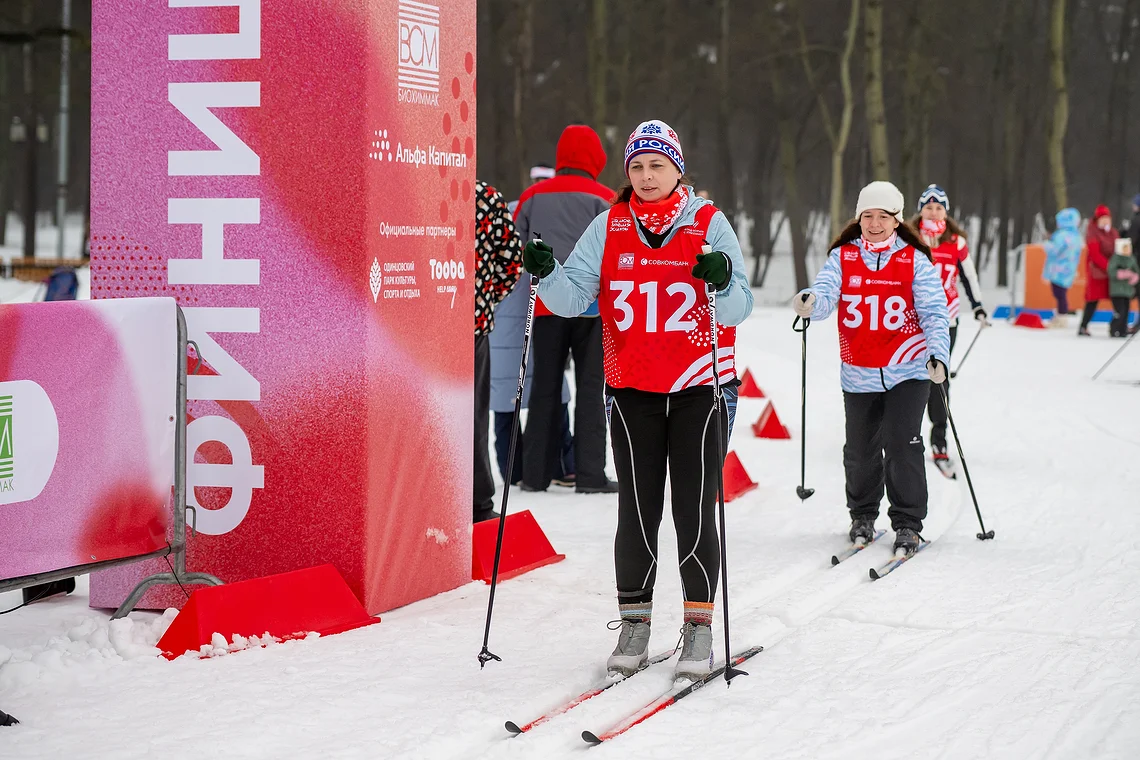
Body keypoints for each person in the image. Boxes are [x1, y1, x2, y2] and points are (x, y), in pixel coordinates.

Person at [521, 120, 752, 681]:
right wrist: (546, 274)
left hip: (700, 387)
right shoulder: (609, 225)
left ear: (677, 169)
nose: (647, 177)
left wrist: (720, 280)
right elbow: (576, 298)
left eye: (657, 166)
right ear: (627, 172)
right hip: (631, 388)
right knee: (636, 510)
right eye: (638, 167)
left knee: (694, 507)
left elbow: (738, 306)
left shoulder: (707, 222)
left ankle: (698, 627)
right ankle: (635, 623)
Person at [793, 181, 950, 557]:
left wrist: (938, 355)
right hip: (859, 371)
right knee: (860, 450)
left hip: (908, 370)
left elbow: (934, 311)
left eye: (883, 216)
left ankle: (908, 523)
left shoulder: (913, 259)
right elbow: (827, 292)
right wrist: (811, 302)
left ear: (896, 221)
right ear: (859, 218)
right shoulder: (843, 257)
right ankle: (862, 515)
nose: (875, 223)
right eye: (868, 216)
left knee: (901, 444)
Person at [514, 125, 618, 494]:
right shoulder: (607, 199)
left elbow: (522, 246)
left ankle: (535, 474)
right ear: (595, 158)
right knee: (592, 390)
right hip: (594, 309)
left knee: (544, 388)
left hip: (544, 307)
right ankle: (590, 475)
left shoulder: (531, 197)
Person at [492, 163, 575, 487]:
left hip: (505, 325)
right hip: (536, 320)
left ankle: (513, 470)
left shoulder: (507, 215)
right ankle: (562, 464)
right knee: (551, 393)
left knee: (506, 400)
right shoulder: (556, 219)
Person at [913, 185, 985, 479]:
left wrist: (978, 305)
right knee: (906, 378)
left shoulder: (955, 241)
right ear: (921, 210)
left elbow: (968, 276)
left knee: (938, 379)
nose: (933, 212)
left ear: (946, 211)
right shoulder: (908, 236)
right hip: (911, 321)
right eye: (928, 207)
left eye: (938, 208)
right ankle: (903, 435)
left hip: (946, 321)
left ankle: (939, 442)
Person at [473, 180, 523, 523]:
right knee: (472, 415)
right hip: (469, 318)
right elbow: (511, 259)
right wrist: (486, 298)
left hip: (409, 319)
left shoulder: (405, 177)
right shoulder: (483, 194)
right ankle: (477, 504)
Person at [1080, 205, 1118, 336]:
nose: (1106, 221)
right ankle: (1083, 326)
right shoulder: (1093, 233)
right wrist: (1109, 267)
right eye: (1103, 218)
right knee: (1092, 300)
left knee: (1117, 299)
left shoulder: (1113, 233)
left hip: (1110, 273)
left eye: (1107, 218)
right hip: (1097, 273)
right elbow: (1095, 255)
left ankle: (1117, 326)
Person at [1043, 208, 1084, 328]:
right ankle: (1061, 315)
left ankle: (1061, 317)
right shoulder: (1076, 236)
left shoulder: (1062, 235)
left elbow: (1054, 250)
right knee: (1061, 293)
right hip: (1069, 269)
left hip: (1058, 269)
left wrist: (1047, 244)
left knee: (1059, 293)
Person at [1108, 237, 1139, 337]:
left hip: (1127, 291)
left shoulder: (1131, 259)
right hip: (1117, 291)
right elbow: (1111, 271)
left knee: (1126, 311)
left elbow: (1137, 272)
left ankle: (1122, 329)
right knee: (1120, 311)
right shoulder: (1116, 258)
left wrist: (1133, 277)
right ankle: (1114, 328)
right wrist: (1124, 274)